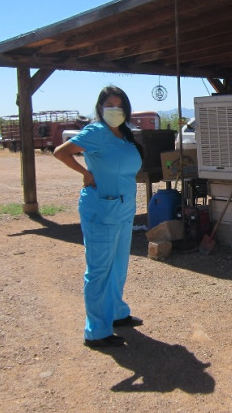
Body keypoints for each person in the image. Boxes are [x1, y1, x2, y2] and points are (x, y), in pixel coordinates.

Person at [54, 85, 144, 348]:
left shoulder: (125, 135)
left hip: (123, 209)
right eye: (109, 106)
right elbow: (61, 152)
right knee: (99, 270)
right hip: (101, 210)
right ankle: (96, 331)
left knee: (118, 266)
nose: (115, 110)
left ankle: (116, 313)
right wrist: (85, 173)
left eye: (119, 106)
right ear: (100, 109)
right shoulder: (96, 132)